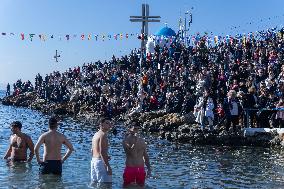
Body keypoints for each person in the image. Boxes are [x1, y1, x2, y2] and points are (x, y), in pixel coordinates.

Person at [122, 122, 151, 188]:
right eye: (135, 129)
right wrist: (136, 141)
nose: (136, 131)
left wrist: (149, 169)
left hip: (141, 169)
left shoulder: (142, 141)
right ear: (129, 129)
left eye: (138, 129)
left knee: (141, 186)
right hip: (130, 168)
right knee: (127, 187)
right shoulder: (125, 141)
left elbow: (145, 156)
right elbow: (131, 153)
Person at [91, 117, 113, 183]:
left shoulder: (95, 134)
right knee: (106, 185)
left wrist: (104, 157)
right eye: (107, 123)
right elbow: (102, 152)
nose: (109, 125)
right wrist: (107, 166)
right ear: (101, 124)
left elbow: (92, 150)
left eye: (110, 123)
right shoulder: (103, 135)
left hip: (94, 161)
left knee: (94, 184)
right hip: (100, 162)